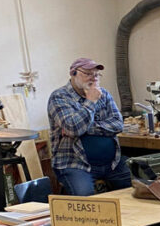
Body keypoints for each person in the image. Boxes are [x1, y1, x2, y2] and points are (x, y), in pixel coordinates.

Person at [48, 58, 131, 196]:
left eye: (97, 74)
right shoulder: (59, 97)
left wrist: (86, 129)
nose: (93, 78)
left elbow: (118, 124)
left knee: (140, 186)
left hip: (112, 163)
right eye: (88, 73)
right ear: (73, 74)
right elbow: (73, 128)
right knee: (87, 200)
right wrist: (91, 101)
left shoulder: (104, 94)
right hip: (75, 164)